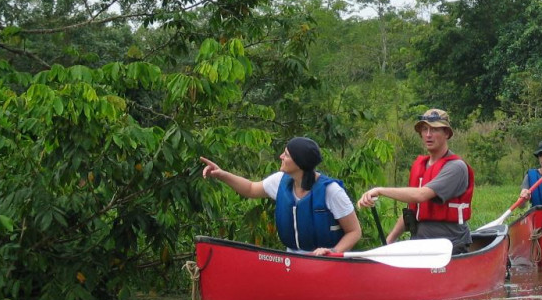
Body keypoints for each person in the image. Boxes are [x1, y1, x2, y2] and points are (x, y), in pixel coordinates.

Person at [200, 136, 361, 256]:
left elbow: (354, 231)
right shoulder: (280, 181)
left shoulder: (331, 191)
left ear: (299, 163)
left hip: (327, 261)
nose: (281, 157)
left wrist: (333, 252)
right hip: (293, 260)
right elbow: (250, 188)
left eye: (287, 155)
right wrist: (221, 174)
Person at [357, 109, 475, 255]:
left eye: (435, 129)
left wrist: (380, 190)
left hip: (449, 246)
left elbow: (421, 195)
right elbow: (412, 208)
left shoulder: (456, 167)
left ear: (447, 133)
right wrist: (390, 240)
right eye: (424, 129)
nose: (428, 134)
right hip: (419, 244)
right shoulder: (421, 166)